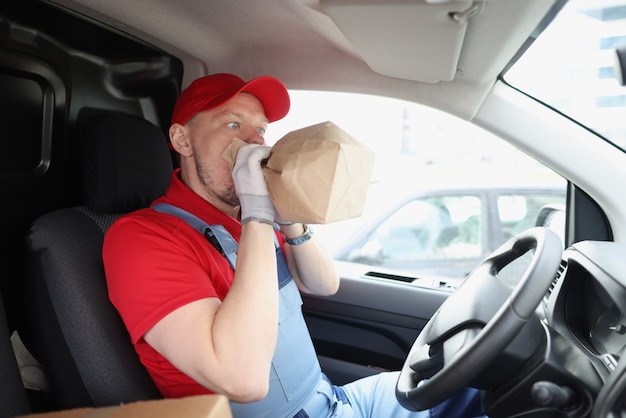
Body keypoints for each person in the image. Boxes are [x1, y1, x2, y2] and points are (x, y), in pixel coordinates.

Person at [103, 73, 486, 418]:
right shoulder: (141, 238)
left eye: (261, 131)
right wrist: (257, 213)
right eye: (233, 124)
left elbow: (323, 284)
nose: (254, 143)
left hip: (331, 400)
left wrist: (286, 216)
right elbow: (243, 381)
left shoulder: (250, 220)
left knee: (473, 383)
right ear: (181, 139)